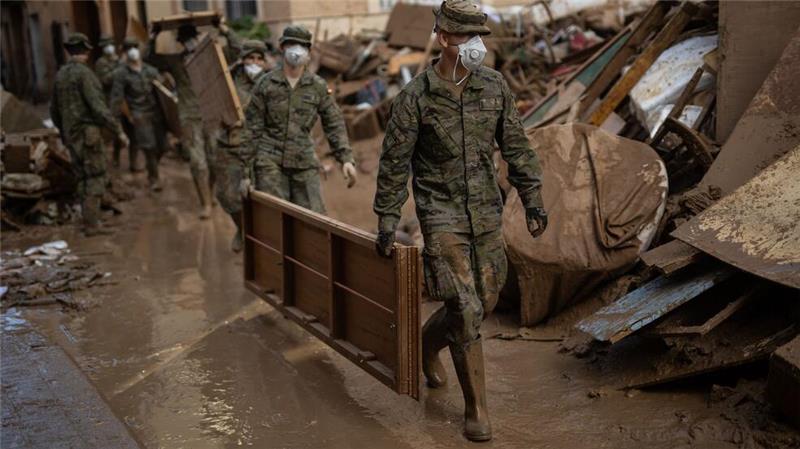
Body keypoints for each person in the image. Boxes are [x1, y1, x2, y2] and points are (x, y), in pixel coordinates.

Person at [372, 0, 548, 441]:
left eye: (479, 38)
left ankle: (427, 344)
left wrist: (533, 199)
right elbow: (394, 165)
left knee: (483, 300)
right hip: (442, 214)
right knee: (465, 308)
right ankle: (477, 410)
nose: (476, 46)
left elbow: (517, 146)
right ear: (445, 38)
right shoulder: (414, 99)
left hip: (486, 209)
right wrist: (387, 219)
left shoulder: (494, 86)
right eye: (467, 37)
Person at [246, 25, 357, 214]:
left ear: (309, 51)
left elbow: (334, 122)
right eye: (292, 44)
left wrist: (345, 159)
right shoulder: (265, 85)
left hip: (303, 159)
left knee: (315, 219)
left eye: (302, 46)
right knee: (273, 217)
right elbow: (251, 130)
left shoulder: (317, 86)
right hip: (269, 161)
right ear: (282, 48)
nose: (297, 50)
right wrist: (245, 172)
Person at [147, 18, 239, 218]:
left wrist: (224, 28)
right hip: (189, 116)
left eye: (191, 38)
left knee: (215, 160)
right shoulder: (175, 61)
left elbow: (237, 50)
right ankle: (205, 203)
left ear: (197, 39)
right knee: (198, 162)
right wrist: (153, 36)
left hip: (211, 113)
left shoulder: (212, 56)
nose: (189, 42)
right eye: (185, 39)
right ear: (181, 42)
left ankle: (211, 192)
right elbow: (150, 58)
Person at [51, 33, 129, 236]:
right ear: (85, 51)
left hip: (71, 136)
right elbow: (98, 107)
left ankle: (90, 220)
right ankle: (92, 225)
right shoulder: (85, 74)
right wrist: (118, 130)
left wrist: (63, 133)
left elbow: (54, 110)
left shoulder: (60, 75)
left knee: (81, 179)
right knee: (96, 176)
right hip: (88, 135)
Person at [216, 39, 269, 252]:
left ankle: (263, 238)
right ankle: (242, 228)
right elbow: (212, 108)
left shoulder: (271, 82)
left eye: (259, 58)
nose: (254, 63)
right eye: (250, 58)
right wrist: (227, 118)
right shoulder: (227, 82)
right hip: (231, 145)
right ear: (242, 59)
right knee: (227, 195)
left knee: (263, 196)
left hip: (261, 147)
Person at [110, 37, 166, 191]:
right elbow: (117, 99)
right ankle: (154, 178)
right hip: (138, 114)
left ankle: (152, 166)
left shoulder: (150, 70)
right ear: (125, 52)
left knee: (163, 146)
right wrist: (121, 120)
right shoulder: (121, 74)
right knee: (149, 146)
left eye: (135, 47)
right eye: (129, 48)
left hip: (156, 113)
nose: (133, 51)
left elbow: (163, 89)